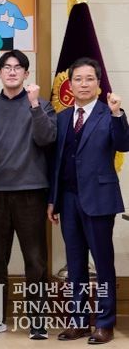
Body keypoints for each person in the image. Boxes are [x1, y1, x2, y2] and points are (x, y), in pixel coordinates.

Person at [48, 58, 129, 345]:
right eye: (78, 79)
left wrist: (118, 113)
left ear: (98, 83)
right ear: (70, 84)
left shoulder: (110, 113)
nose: (83, 84)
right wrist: (53, 200)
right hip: (68, 200)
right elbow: (57, 163)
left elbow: (124, 144)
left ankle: (105, 323)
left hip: (99, 199)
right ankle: (79, 321)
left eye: (89, 79)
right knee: (75, 264)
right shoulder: (62, 117)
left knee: (103, 264)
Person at [0, 50, 56, 340]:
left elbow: (47, 139)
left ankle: (38, 321)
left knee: (35, 260)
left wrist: (34, 105)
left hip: (32, 193)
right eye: (7, 67)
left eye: (18, 67)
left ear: (26, 73)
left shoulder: (42, 105)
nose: (12, 71)